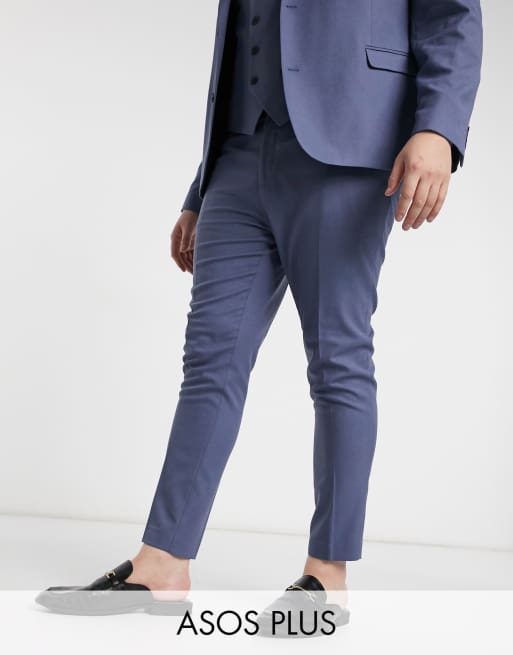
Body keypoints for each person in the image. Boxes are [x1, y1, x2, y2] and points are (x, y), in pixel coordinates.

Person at [36, 0, 483, 634]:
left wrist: (438, 128)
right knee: (210, 361)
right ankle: (162, 564)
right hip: (238, 155)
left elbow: (453, 16)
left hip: (348, 144)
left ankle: (326, 578)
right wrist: (202, 187)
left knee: (336, 358)